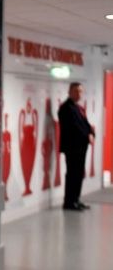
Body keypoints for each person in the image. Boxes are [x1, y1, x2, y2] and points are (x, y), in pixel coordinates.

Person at [58, 82, 94, 211]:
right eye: (76, 91)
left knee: (79, 174)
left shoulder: (78, 108)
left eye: (80, 91)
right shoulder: (66, 108)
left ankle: (76, 199)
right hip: (72, 147)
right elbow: (73, 127)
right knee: (72, 174)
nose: (78, 94)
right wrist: (87, 136)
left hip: (81, 147)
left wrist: (91, 132)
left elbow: (85, 123)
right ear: (70, 92)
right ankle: (69, 202)